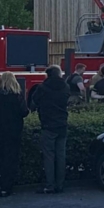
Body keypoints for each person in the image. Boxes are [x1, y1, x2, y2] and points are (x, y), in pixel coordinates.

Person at [31, 65, 69, 194]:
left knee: (49, 156)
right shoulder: (65, 87)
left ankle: (50, 185)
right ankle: (60, 184)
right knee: (61, 156)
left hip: (48, 125)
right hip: (62, 124)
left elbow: (33, 102)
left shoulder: (42, 88)